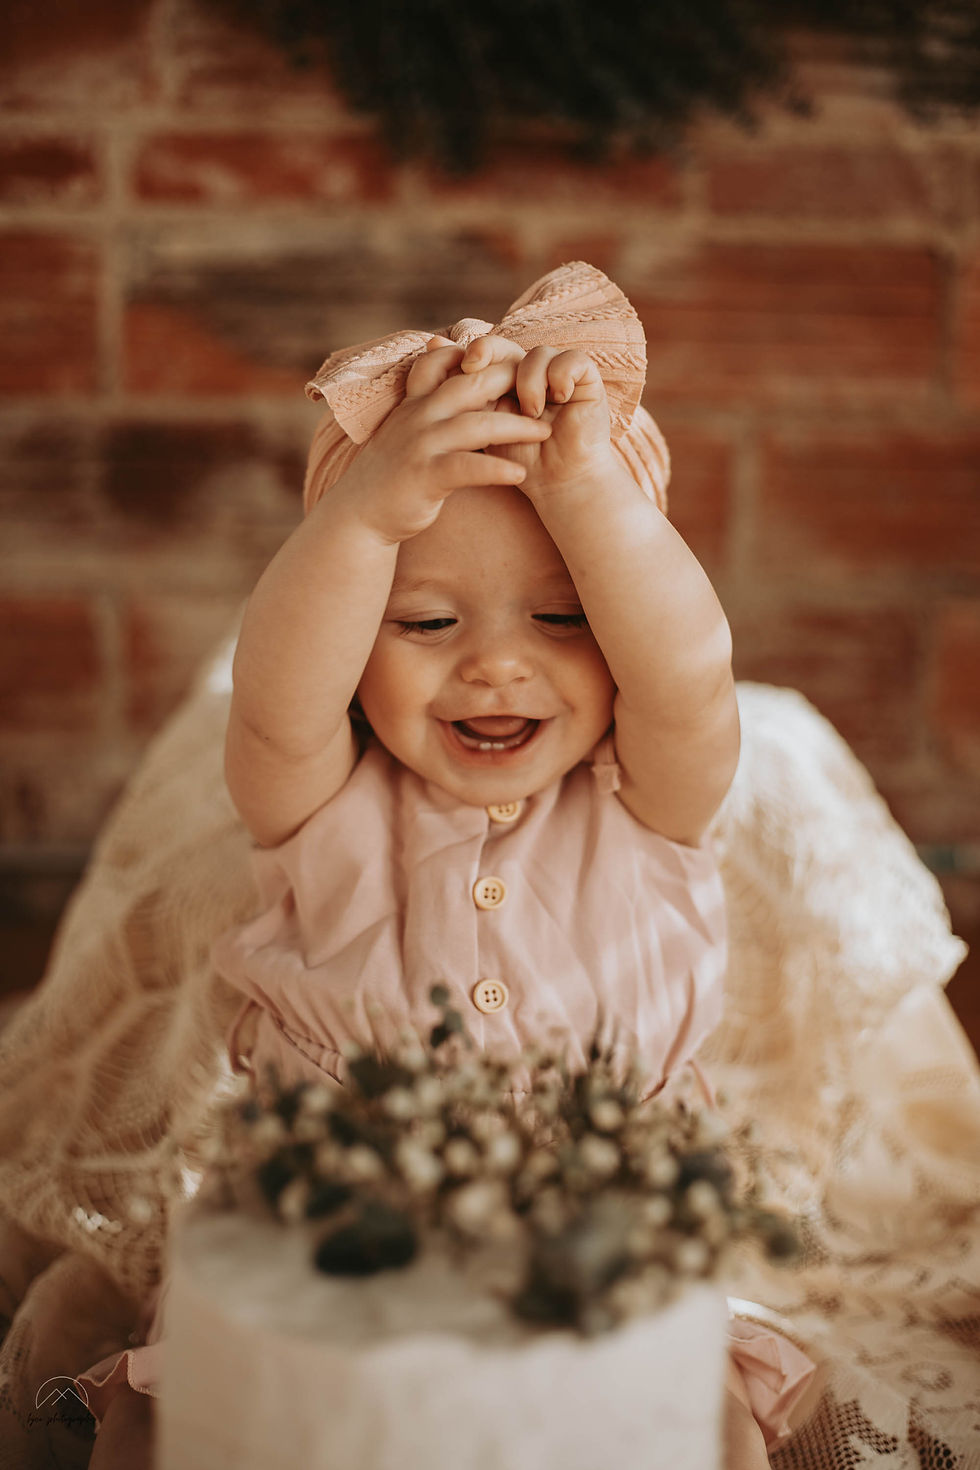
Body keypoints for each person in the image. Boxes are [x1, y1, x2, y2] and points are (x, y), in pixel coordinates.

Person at [82, 262, 813, 1468]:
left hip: (606, 1228)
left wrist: (588, 496)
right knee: (189, 1411)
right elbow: (276, 680)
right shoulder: (317, 800)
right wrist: (363, 516)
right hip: (327, 1221)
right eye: (425, 622)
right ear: (356, 644)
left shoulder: (649, 799)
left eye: (562, 615)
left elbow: (685, 667)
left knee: (689, 1415)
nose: (493, 668)